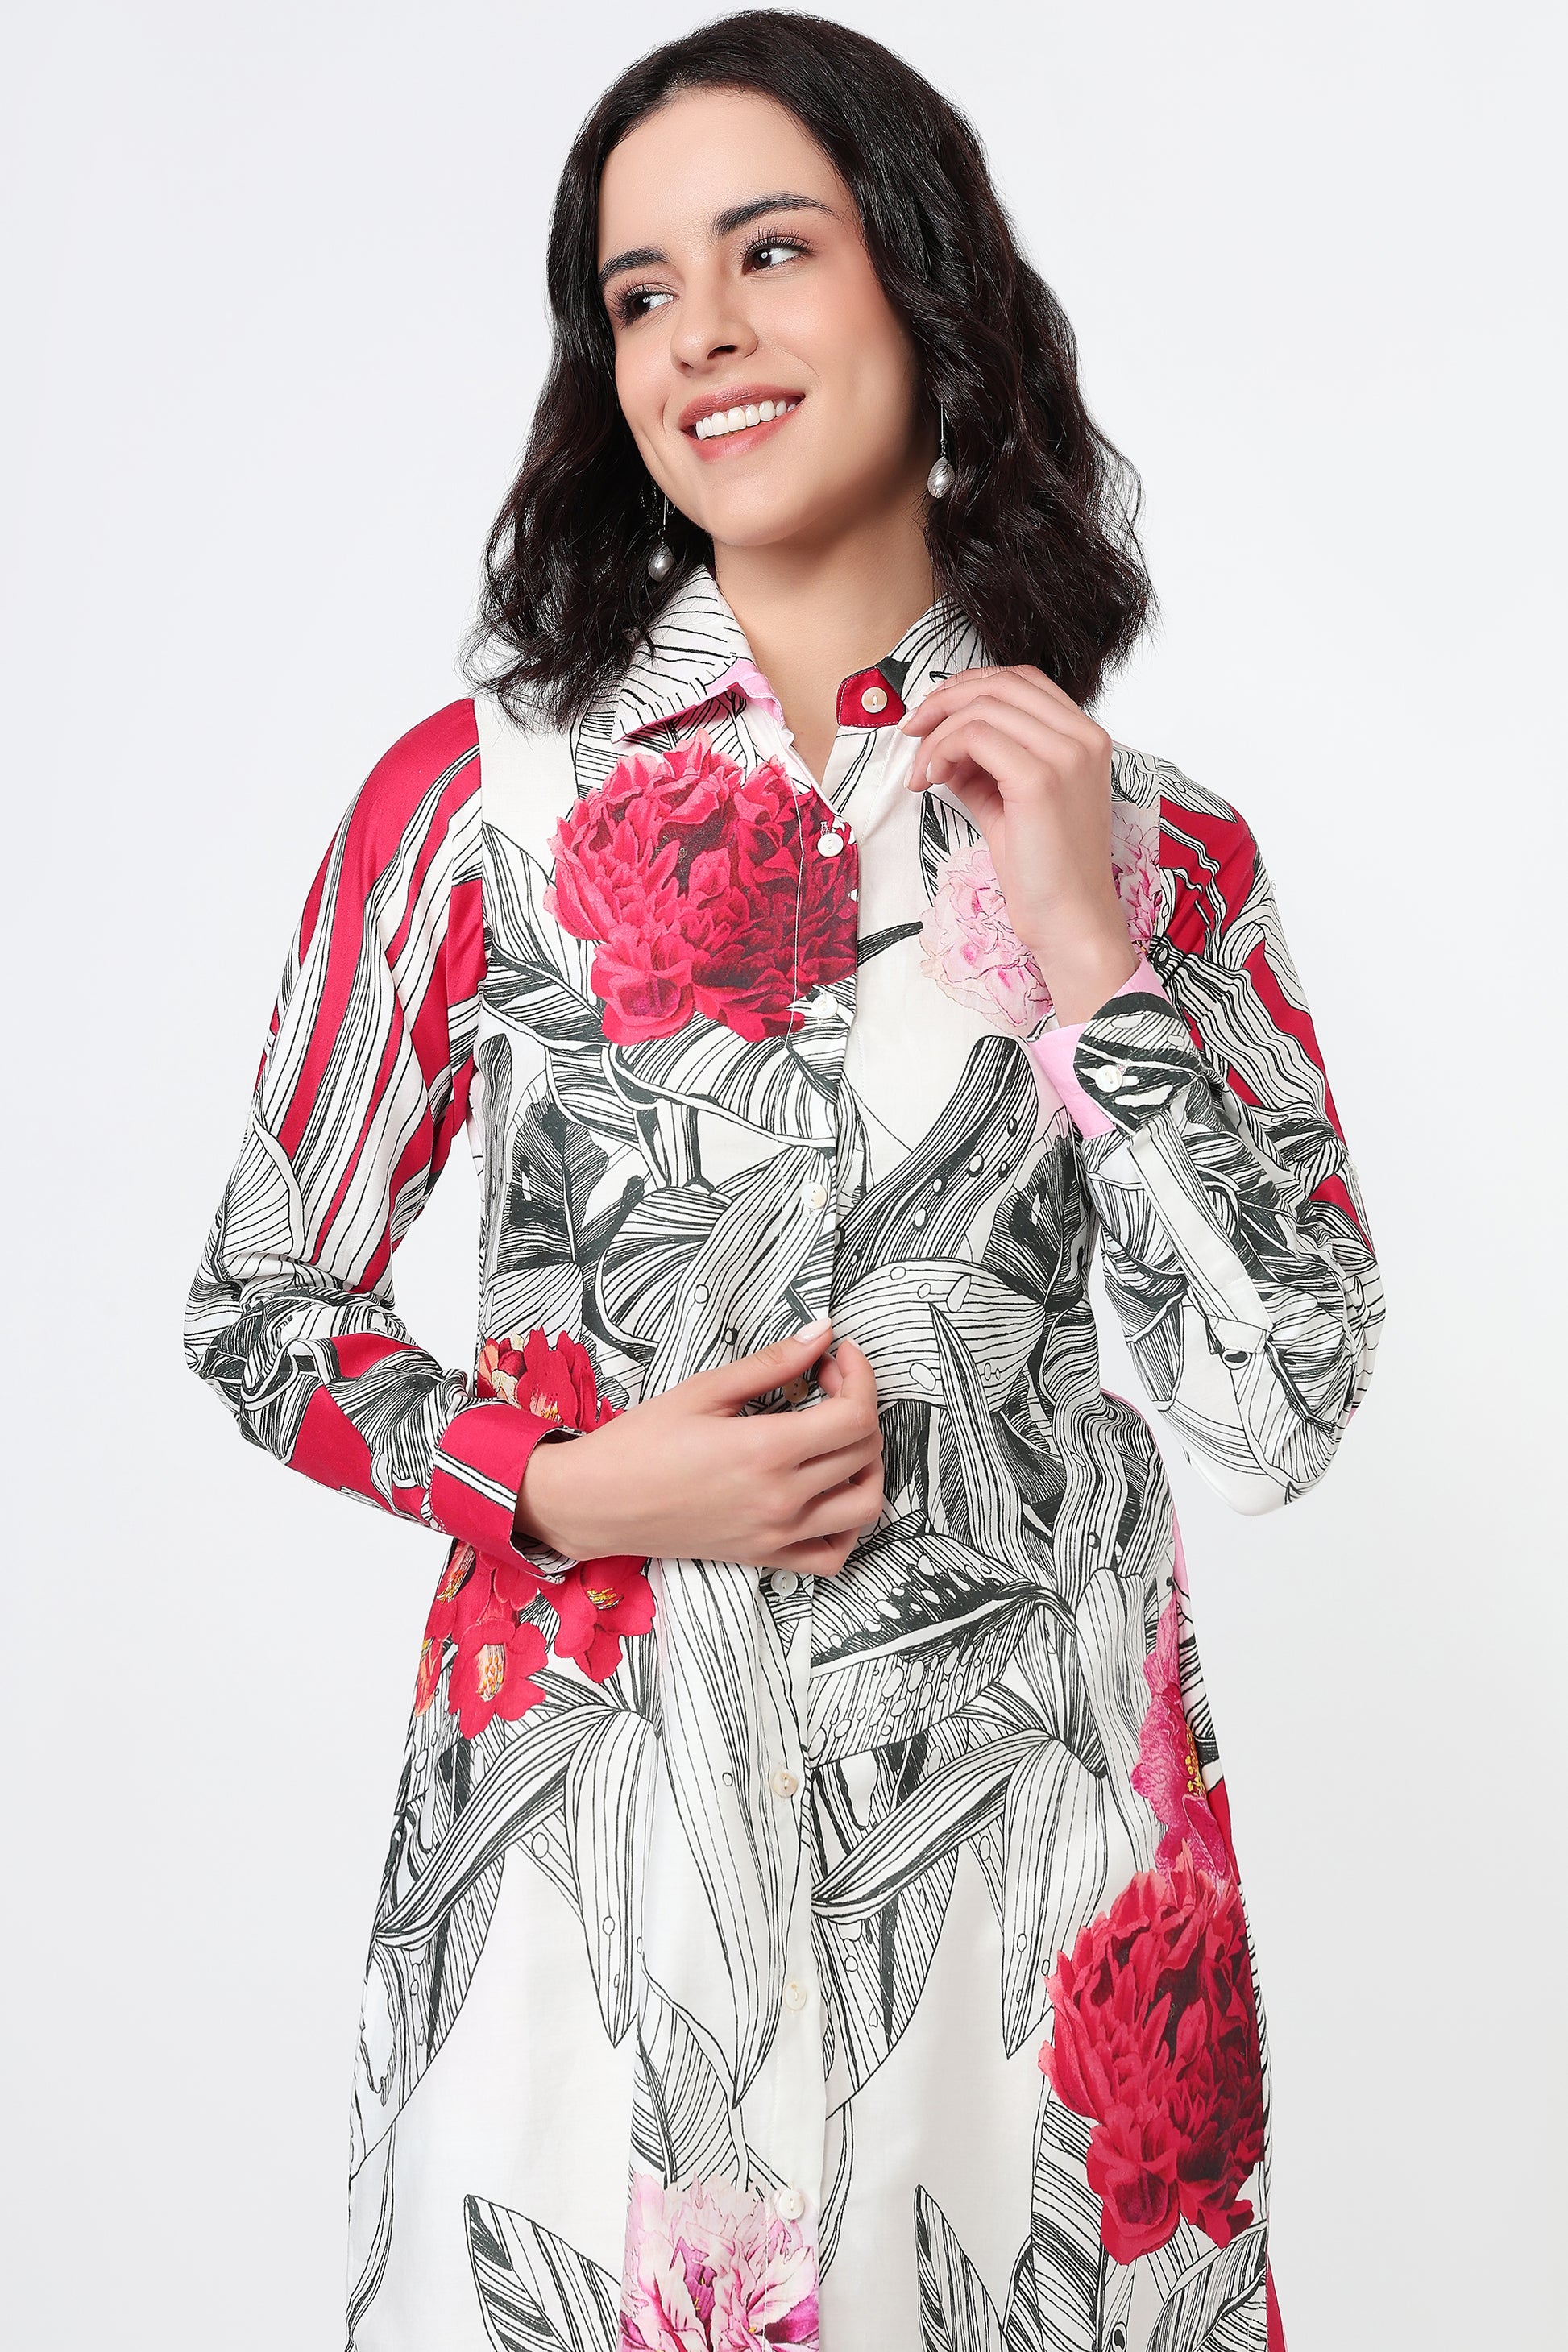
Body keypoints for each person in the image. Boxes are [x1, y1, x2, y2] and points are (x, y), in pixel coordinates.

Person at [183, 14, 1382, 2348]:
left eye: (767, 253)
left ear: (924, 293)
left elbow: (1281, 1405)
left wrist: (1086, 953)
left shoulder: (1161, 850)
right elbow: (259, 1305)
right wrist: (561, 1484)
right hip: (605, 1880)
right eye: (639, 292)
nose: (700, 334)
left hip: (1025, 1923)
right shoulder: (473, 809)